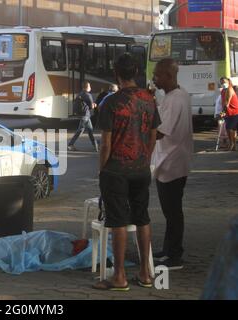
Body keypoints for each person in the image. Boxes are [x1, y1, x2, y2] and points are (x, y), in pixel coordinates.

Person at [93, 53, 160, 291]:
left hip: (116, 170)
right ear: (137, 73)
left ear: (116, 74)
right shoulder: (149, 100)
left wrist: (103, 170)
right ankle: (145, 274)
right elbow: (153, 135)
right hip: (141, 168)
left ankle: (119, 276)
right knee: (142, 217)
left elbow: (106, 144)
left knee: (118, 221)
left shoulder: (111, 102)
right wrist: (145, 158)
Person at [151, 58, 193, 270]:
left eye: (157, 76)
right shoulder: (178, 95)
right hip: (173, 160)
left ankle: (175, 255)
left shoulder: (175, 99)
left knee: (173, 211)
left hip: (172, 162)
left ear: (168, 75)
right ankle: (169, 249)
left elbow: (159, 132)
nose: (154, 80)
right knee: (171, 211)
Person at [67, 81, 98, 152]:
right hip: (85, 115)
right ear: (87, 87)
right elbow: (91, 106)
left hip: (83, 115)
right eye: (90, 86)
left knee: (90, 130)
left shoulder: (80, 93)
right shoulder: (88, 95)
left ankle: (95, 145)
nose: (90, 87)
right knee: (80, 130)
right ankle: (70, 145)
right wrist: (95, 105)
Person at [220, 77, 238, 151]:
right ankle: (231, 145)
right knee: (228, 129)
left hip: (234, 111)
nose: (223, 84)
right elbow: (223, 102)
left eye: (224, 82)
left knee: (231, 129)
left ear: (228, 81)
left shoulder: (230, 89)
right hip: (228, 112)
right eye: (221, 82)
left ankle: (233, 145)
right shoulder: (222, 91)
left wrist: (222, 112)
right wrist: (223, 111)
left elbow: (227, 102)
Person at [215, 78, 228, 149]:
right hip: (219, 114)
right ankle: (223, 143)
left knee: (223, 130)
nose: (220, 87)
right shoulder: (220, 95)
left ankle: (225, 144)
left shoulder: (224, 94)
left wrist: (222, 113)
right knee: (221, 129)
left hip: (222, 114)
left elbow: (225, 105)